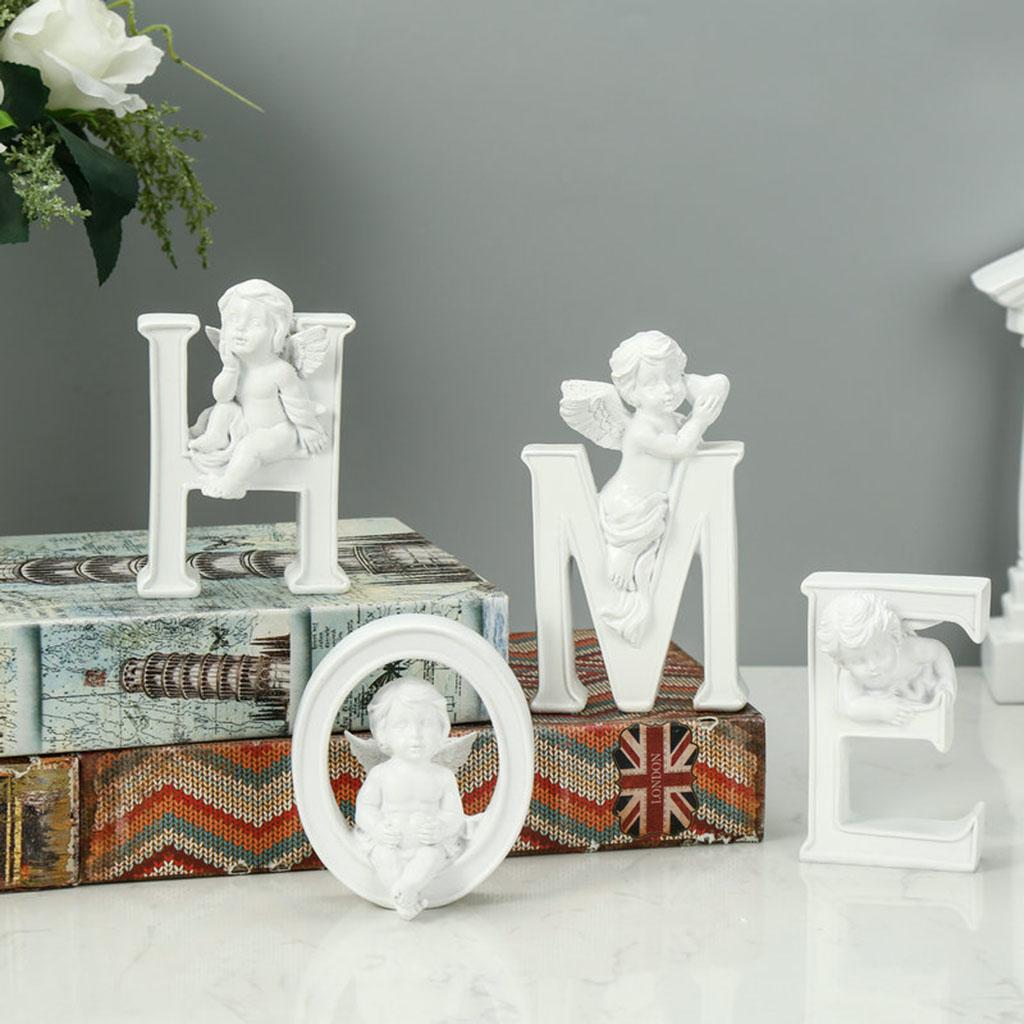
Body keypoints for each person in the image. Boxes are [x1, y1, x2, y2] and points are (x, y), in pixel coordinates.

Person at [188, 279, 328, 499]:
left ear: (277, 333)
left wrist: (308, 429)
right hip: (246, 425)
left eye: (253, 323)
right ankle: (216, 437)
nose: (240, 329)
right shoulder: (237, 366)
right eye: (233, 320)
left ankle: (233, 484)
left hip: (278, 433)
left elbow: (297, 403)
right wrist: (229, 368)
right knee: (223, 408)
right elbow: (222, 396)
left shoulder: (280, 370)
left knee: (250, 447)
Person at [351, 678, 471, 920]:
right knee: (382, 856)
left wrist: (441, 828)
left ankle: (405, 890)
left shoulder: (442, 776)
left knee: (432, 856)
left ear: (442, 729)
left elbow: (454, 815)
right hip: (389, 843)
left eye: (425, 724)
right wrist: (376, 828)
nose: (415, 735)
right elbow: (365, 808)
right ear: (383, 732)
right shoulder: (381, 774)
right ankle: (404, 895)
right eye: (402, 725)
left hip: (428, 845)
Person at [818, 591, 956, 726]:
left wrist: (945, 679)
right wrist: (880, 710)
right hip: (892, 711)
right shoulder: (849, 673)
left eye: (879, 654)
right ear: (842, 663)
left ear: (895, 638)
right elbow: (850, 706)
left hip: (921, 694)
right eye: (858, 661)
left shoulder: (910, 650)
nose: (872, 666)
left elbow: (938, 651)